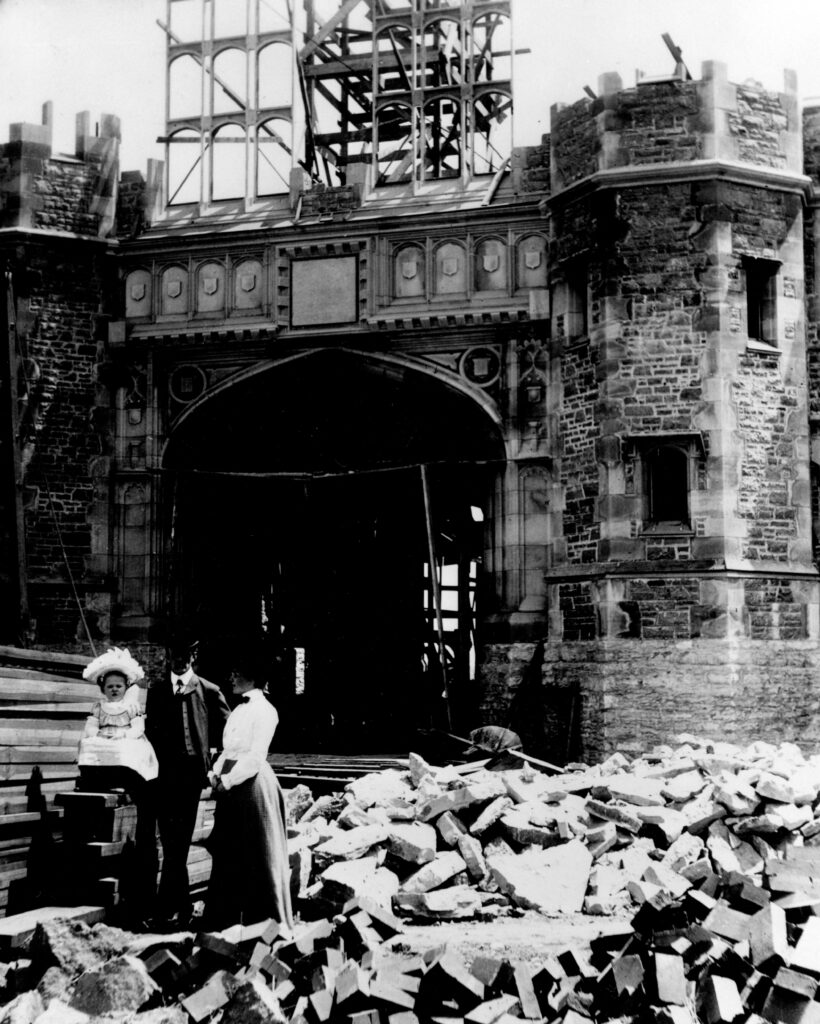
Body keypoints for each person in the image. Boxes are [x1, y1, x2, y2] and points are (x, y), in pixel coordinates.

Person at [203, 651, 293, 931]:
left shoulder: (265, 711)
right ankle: (225, 922)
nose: (231, 677)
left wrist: (228, 781)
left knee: (257, 853)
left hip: (252, 786)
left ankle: (263, 925)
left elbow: (255, 757)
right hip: (230, 785)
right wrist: (215, 774)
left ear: (252, 678)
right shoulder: (239, 709)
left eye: (236, 673)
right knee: (228, 852)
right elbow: (228, 750)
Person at [144, 636, 230, 928]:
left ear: (194, 655)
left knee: (178, 843)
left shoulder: (208, 690)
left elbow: (230, 732)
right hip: (163, 779)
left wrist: (214, 762)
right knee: (172, 844)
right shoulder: (156, 692)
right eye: (174, 654)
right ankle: (179, 907)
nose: (179, 660)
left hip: (191, 780)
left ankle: (168, 908)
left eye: (185, 654)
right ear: (168, 655)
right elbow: (148, 733)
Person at [78, 647, 158, 791]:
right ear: (103, 689)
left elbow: (139, 728)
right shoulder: (99, 706)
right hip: (104, 737)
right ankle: (92, 782)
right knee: (87, 744)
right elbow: (91, 726)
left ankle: (120, 782)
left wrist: (124, 735)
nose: (114, 689)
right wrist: (97, 733)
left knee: (123, 748)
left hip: (125, 737)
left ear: (126, 687)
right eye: (110, 686)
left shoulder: (131, 706)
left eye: (118, 686)